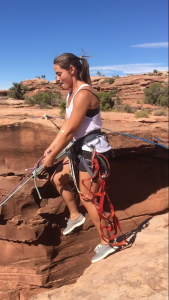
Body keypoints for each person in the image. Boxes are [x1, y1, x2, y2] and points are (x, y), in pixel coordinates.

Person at [43, 53, 117, 263]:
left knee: (89, 198)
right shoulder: (71, 95)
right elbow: (65, 127)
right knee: (58, 179)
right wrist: (49, 150)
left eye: (59, 74)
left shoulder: (84, 93)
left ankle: (107, 242)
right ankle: (75, 216)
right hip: (79, 148)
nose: (57, 79)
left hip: (92, 151)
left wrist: (54, 155)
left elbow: (70, 131)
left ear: (72, 70)